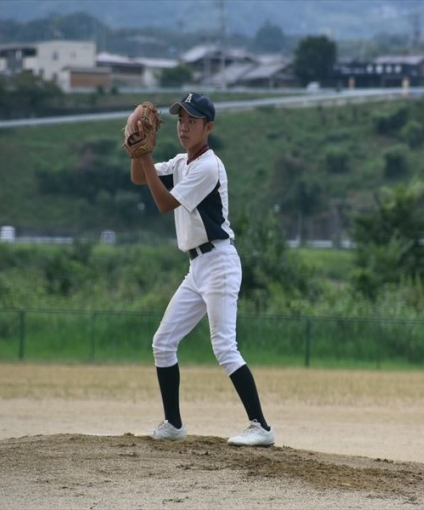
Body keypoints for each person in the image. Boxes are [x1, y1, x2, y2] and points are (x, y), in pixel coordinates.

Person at [129, 92, 275, 447]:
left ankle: (261, 427)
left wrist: (145, 155)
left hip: (219, 262)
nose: (183, 126)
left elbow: (164, 204)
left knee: (224, 346)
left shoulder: (209, 166)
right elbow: (140, 178)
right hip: (197, 267)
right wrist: (136, 150)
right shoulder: (182, 162)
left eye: (192, 121)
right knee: (163, 342)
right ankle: (173, 425)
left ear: (208, 127)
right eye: (180, 119)